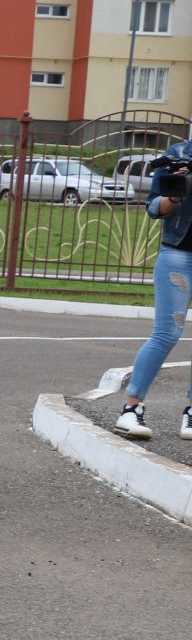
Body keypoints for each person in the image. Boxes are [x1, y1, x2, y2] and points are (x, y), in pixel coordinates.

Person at [113, 141, 192, 441]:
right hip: (178, 256)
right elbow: (154, 207)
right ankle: (131, 409)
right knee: (167, 333)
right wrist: (175, 195)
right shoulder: (177, 155)